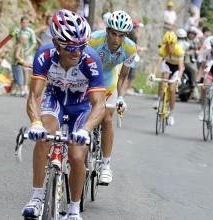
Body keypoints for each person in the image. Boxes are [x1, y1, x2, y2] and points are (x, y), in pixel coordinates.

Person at [21, 9, 105, 220]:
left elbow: (99, 104)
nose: (76, 52)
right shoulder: (45, 55)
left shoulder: (91, 61)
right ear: (57, 43)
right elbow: (34, 95)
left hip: (82, 106)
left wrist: (86, 130)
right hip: (55, 100)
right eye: (70, 47)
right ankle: (37, 198)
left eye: (81, 46)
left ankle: (74, 209)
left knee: (77, 155)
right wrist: (35, 122)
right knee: (44, 136)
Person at [89, 10, 137, 184]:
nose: (116, 39)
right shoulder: (93, 39)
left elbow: (123, 76)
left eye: (121, 35)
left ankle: (106, 165)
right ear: (108, 30)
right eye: (113, 33)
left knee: (107, 119)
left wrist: (121, 97)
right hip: (88, 78)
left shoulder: (130, 48)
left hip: (108, 79)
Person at [152, 31, 185, 126]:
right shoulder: (162, 50)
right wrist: (153, 74)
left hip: (176, 69)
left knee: (171, 89)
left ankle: (171, 114)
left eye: (171, 44)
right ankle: (158, 99)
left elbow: (181, 67)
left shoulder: (179, 50)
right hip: (167, 66)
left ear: (175, 44)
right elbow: (157, 64)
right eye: (167, 44)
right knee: (163, 78)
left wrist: (178, 78)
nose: (169, 47)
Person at [16, 16, 37, 96]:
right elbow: (17, 42)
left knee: (26, 70)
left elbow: (34, 43)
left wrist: (28, 51)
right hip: (20, 53)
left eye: (26, 22)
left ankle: (26, 88)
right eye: (23, 22)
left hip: (28, 54)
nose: (25, 24)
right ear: (21, 23)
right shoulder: (18, 31)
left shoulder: (30, 31)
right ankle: (20, 88)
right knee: (19, 70)